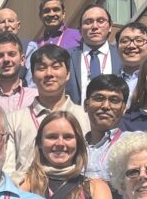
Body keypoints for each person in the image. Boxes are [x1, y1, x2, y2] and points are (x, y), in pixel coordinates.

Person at [7, 43, 90, 181]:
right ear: (32, 76)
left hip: (75, 195)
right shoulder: (14, 120)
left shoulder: (85, 117)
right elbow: (8, 170)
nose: (49, 74)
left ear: (68, 73)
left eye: (56, 67)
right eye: (41, 68)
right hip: (28, 194)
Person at [66, 4, 122, 104]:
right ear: (80, 29)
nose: (95, 26)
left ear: (110, 27)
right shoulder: (67, 56)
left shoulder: (121, 55)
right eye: (88, 22)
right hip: (76, 116)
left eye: (100, 21)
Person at [83, 74, 130, 183]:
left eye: (114, 100)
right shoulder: (73, 147)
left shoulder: (132, 144)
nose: (105, 106)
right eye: (99, 98)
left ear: (124, 109)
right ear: (86, 105)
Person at [24, 0, 82, 75]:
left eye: (56, 10)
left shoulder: (78, 36)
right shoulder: (35, 45)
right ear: (40, 15)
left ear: (63, 13)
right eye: (47, 11)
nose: (51, 14)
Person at [0, 32, 38, 114]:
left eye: (11, 54)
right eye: (0, 55)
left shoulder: (36, 97)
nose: (6, 60)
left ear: (22, 60)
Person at [116, 22, 147, 104]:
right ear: (117, 47)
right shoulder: (109, 78)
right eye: (125, 41)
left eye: (139, 40)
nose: (131, 46)